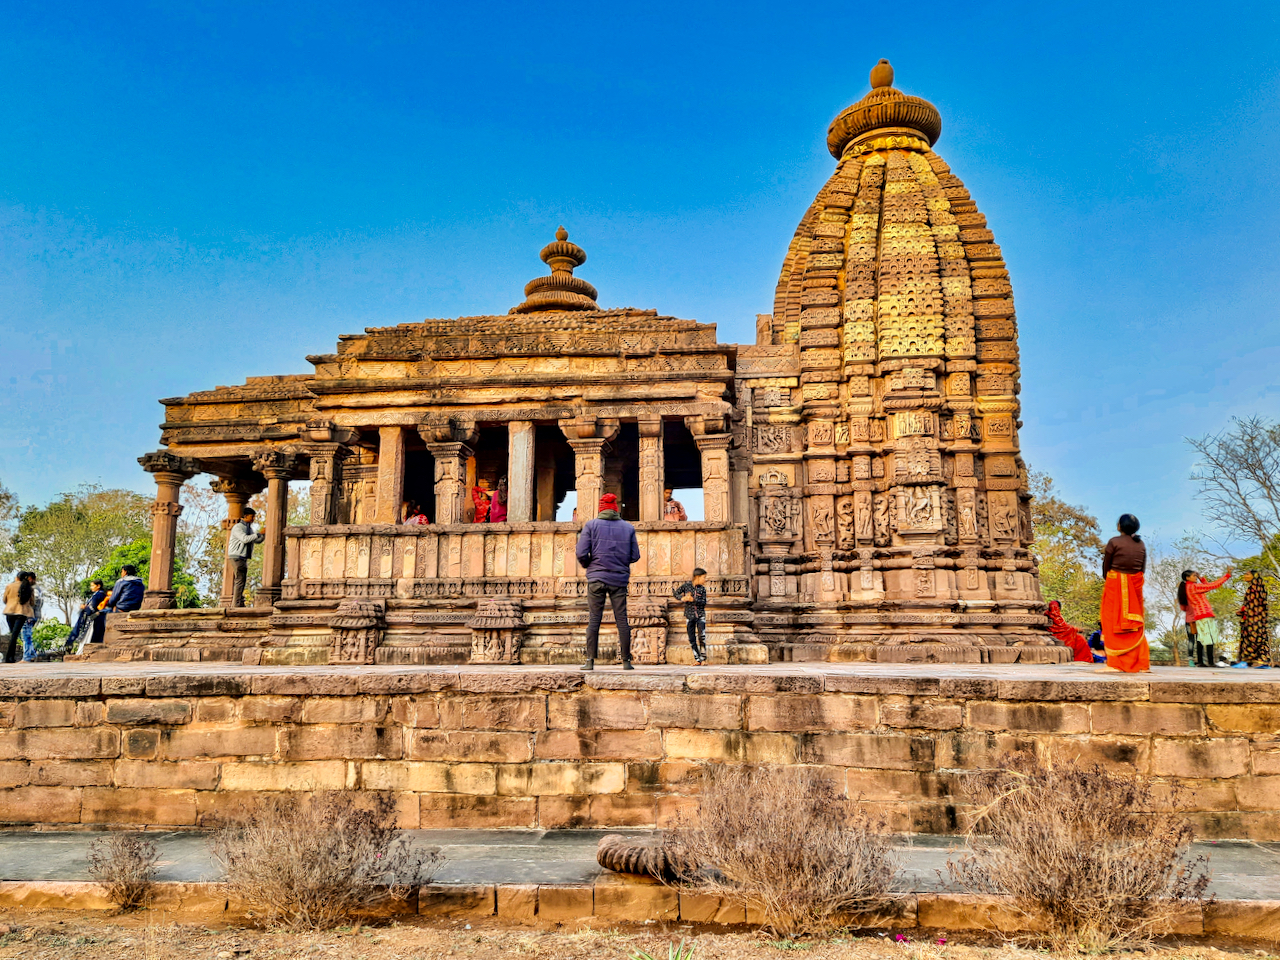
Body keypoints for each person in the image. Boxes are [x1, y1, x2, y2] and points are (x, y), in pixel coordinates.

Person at [575, 493, 640, 671]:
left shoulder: (591, 525)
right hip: (619, 578)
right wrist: (620, 562)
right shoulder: (628, 528)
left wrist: (589, 565)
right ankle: (626, 661)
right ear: (615, 508)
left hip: (596, 577)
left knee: (594, 619)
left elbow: (581, 552)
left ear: (601, 508)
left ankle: (590, 661)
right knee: (622, 619)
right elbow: (635, 556)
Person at [1098, 513, 1149, 673]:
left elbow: (1106, 567)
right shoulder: (1140, 544)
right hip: (1135, 585)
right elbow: (1142, 568)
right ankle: (1140, 662)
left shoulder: (1114, 542)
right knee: (1135, 623)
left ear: (1119, 526)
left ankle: (1115, 663)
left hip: (1115, 584)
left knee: (1111, 620)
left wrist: (1114, 579)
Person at [1179, 566, 1232, 668]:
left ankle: (1200, 661)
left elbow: (1207, 587)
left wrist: (1201, 579)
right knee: (1209, 639)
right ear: (1187, 577)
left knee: (1201, 639)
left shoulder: (1189, 587)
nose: (1196, 577)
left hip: (1199, 615)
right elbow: (1213, 585)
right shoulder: (1194, 587)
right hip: (1204, 615)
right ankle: (1211, 662)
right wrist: (1227, 575)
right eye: (1194, 575)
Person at [226, 509, 265, 608]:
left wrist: (263, 534)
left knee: (241, 580)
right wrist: (259, 534)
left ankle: (238, 602)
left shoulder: (248, 528)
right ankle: (236, 604)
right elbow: (245, 539)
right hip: (236, 556)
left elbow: (256, 540)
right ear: (245, 516)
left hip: (242, 557)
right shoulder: (238, 527)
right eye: (252, 516)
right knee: (239, 580)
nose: (253, 519)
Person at [673, 567, 709, 664]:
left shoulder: (702, 589)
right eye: (703, 577)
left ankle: (703, 659)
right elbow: (676, 593)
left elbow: (703, 602)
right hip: (689, 615)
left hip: (700, 615)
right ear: (697, 577)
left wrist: (693, 600)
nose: (705, 580)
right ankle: (697, 659)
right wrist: (683, 598)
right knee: (692, 638)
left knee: (702, 637)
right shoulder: (686, 586)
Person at [1236, 570, 1271, 667]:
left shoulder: (1254, 589)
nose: (1245, 575)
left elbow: (1253, 605)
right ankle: (1262, 662)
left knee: (1251, 638)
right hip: (1259, 619)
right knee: (1261, 639)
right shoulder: (1260, 587)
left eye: (1247, 574)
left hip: (1253, 619)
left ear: (1254, 576)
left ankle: (1246, 662)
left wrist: (1244, 611)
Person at [67, 579, 108, 652]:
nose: (91, 587)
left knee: (88, 638)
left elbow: (92, 609)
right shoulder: (102, 595)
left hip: (93, 620)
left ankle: (83, 652)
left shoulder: (97, 595)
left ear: (98, 586)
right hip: (99, 619)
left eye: (93, 585)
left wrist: (85, 607)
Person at [3, 572, 34, 664]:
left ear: (17, 578)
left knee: (13, 635)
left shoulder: (9, 586)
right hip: (21, 613)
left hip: (10, 612)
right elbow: (32, 602)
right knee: (15, 636)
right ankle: (10, 658)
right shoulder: (29, 588)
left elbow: (5, 599)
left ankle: (9, 658)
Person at [20, 573, 43, 662]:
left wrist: (28, 606)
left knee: (26, 635)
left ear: (32, 579)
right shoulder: (36, 588)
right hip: (33, 615)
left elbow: (36, 600)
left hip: (30, 615)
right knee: (27, 634)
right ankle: (32, 654)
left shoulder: (34, 589)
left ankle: (27, 656)